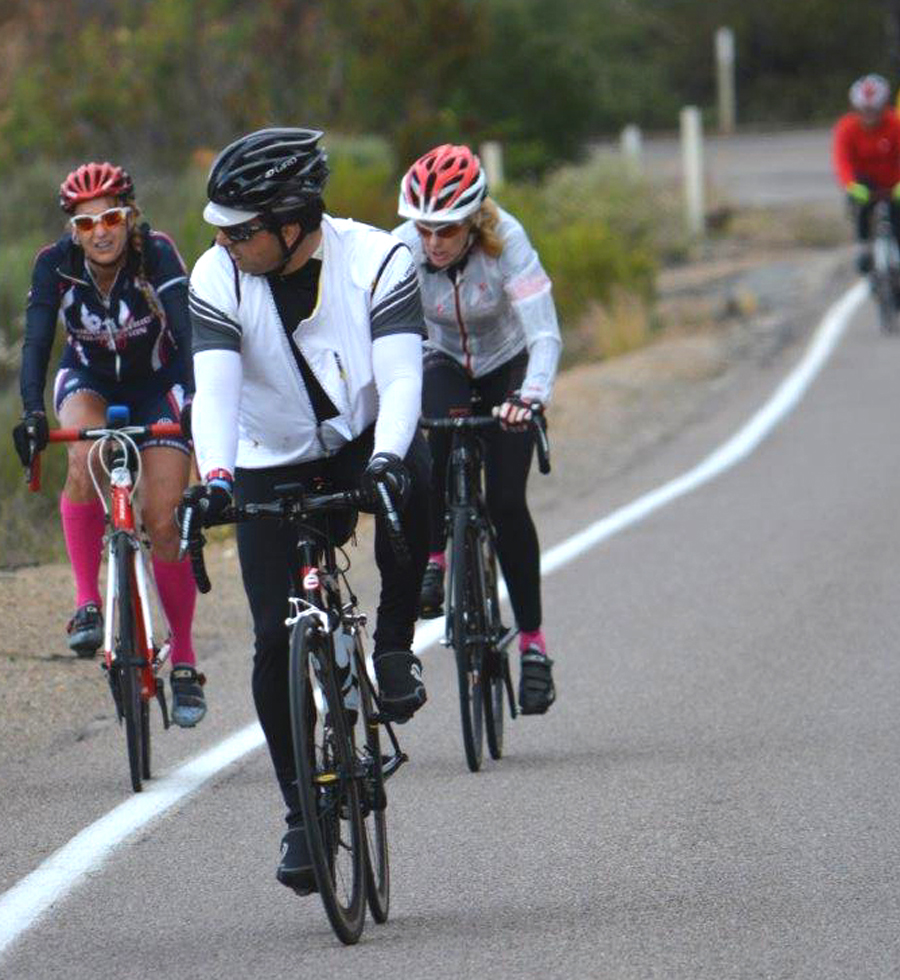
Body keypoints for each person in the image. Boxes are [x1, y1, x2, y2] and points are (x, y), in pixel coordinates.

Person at [184, 127, 429, 896]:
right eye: (220, 230)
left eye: (240, 231)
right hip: (268, 450)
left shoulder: (378, 260)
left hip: (362, 434)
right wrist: (215, 478)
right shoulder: (218, 275)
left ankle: (393, 644)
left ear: (291, 224)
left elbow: (402, 380)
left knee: (415, 474)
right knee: (270, 639)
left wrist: (386, 461)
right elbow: (214, 392)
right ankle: (301, 811)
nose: (224, 243)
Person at [12, 162, 206, 728]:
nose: (100, 231)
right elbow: (37, 342)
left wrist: (197, 400)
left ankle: (185, 661)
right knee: (85, 457)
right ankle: (87, 602)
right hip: (89, 382)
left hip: (157, 384)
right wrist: (31, 412)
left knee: (165, 521)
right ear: (72, 229)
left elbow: (188, 330)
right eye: (85, 222)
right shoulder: (54, 265)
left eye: (112, 218)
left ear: (130, 216)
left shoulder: (156, 253)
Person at [393, 143, 561, 717]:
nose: (433, 242)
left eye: (446, 229)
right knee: (436, 441)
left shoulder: (507, 240)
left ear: (473, 219)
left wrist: (530, 396)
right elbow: (381, 333)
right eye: (424, 228)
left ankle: (533, 646)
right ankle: (436, 556)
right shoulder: (401, 248)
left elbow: (544, 333)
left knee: (507, 502)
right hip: (440, 355)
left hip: (506, 362)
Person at [832, 73, 900, 273]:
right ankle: (863, 247)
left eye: (874, 111)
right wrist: (850, 185)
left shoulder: (896, 124)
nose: (869, 116)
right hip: (864, 184)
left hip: (894, 183)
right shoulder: (846, 128)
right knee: (861, 209)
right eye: (864, 111)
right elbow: (842, 161)